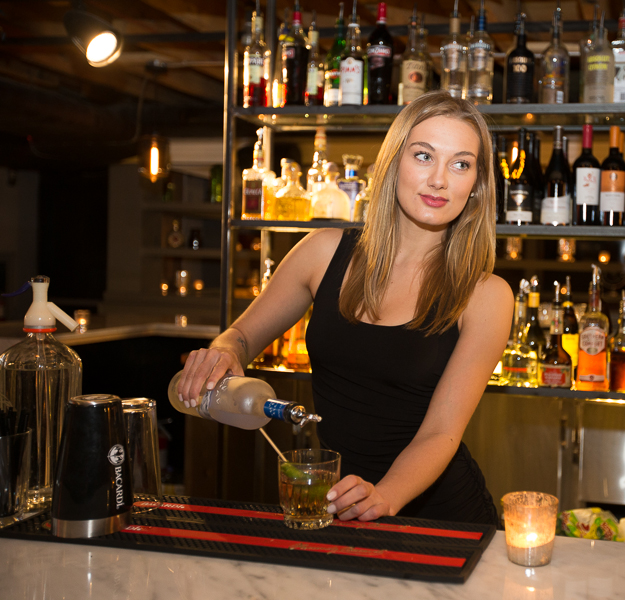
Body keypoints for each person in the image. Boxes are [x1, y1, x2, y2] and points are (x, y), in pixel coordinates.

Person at [176, 91, 513, 526]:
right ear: (393, 163)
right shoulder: (323, 252)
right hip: (337, 502)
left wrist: (385, 496)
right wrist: (223, 351)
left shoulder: (485, 295)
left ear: (477, 186)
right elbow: (240, 337)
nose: (439, 180)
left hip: (440, 518)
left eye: (460, 164)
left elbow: (441, 432)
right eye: (424, 156)